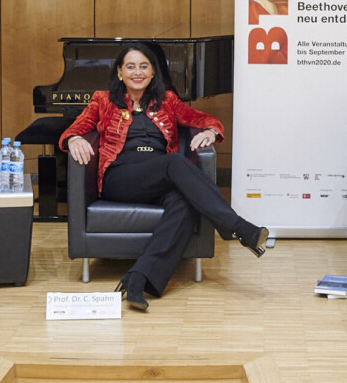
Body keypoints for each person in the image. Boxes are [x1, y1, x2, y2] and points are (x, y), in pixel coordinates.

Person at [59, 43, 270, 311]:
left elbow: (204, 118)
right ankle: (238, 227)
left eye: (144, 66)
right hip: (120, 178)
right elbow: (75, 128)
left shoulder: (167, 100)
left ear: (152, 72)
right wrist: (75, 138)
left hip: (158, 178)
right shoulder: (103, 100)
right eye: (131, 66)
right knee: (173, 162)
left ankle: (138, 278)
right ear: (120, 72)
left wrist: (211, 132)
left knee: (184, 202)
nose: (138, 72)